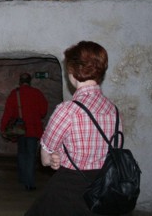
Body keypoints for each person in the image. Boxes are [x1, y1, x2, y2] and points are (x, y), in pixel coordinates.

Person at [25, 41, 122, 216]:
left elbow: (46, 159)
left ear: (72, 72)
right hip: (104, 184)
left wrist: (54, 156)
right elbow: (112, 149)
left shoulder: (68, 110)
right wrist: (61, 153)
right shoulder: (113, 109)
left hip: (71, 186)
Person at [0, 72, 48, 191]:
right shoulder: (37, 93)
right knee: (31, 155)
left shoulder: (14, 94)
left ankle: (22, 178)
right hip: (34, 129)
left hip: (20, 130)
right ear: (30, 81)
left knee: (22, 154)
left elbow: (7, 113)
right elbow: (43, 111)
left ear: (20, 82)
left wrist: (3, 128)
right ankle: (29, 182)